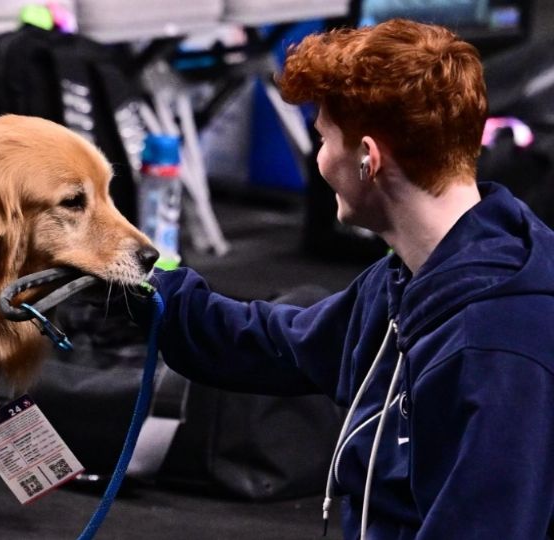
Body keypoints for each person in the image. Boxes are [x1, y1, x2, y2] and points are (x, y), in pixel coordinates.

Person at [145, 18, 554, 539]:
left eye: (323, 139)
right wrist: (146, 291)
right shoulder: (415, 275)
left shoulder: (498, 354)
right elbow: (277, 343)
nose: (319, 160)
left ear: (367, 158)